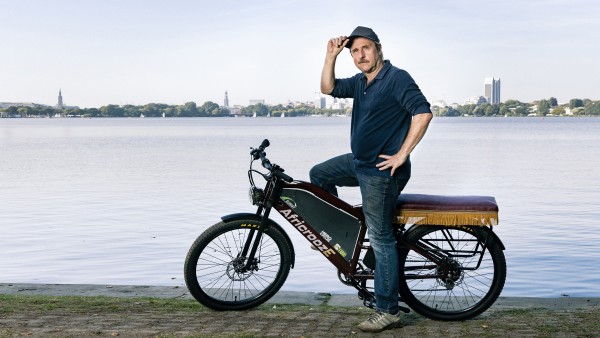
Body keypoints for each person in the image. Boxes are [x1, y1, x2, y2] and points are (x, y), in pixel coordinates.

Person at [310, 26, 433, 333]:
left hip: (381, 172)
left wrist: (402, 154)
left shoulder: (396, 78)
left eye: (365, 48)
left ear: (378, 49)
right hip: (359, 163)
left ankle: (388, 311)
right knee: (319, 174)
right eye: (354, 51)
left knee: (381, 239)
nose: (360, 55)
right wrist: (330, 56)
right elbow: (327, 88)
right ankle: (342, 231)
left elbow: (423, 113)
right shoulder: (362, 83)